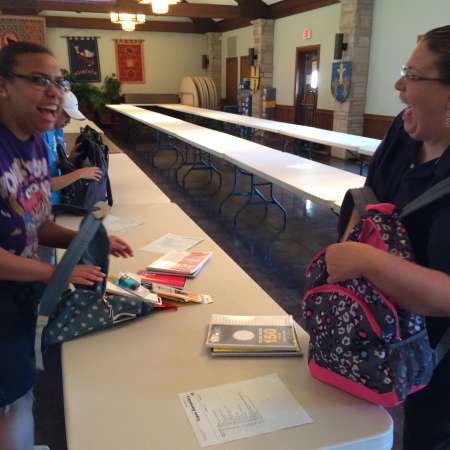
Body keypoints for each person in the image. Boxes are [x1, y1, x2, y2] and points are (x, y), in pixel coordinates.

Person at [0, 41, 132, 450]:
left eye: (58, 81)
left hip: (18, 294)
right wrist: (58, 271)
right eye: (39, 80)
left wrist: (86, 241)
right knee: (11, 403)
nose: (54, 92)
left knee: (20, 394)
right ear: (4, 85)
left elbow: (35, 223)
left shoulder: (36, 142)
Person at [324, 26, 450, 450]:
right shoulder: (405, 128)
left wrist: (367, 262)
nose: (398, 87)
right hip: (378, 329)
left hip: (442, 353)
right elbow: (368, 197)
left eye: (412, 76)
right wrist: (338, 288)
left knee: (427, 436)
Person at [41, 90, 101, 205]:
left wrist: (69, 160)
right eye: (66, 115)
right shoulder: (36, 138)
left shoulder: (57, 131)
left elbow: (54, 167)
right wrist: (79, 174)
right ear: (53, 109)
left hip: (60, 199)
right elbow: (42, 186)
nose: (69, 121)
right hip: (45, 207)